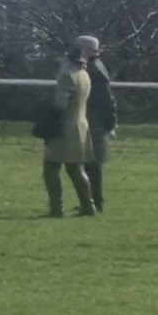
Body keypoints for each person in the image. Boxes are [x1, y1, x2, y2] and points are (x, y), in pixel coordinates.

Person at [42, 38, 100, 217]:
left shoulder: (67, 75)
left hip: (64, 126)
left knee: (50, 167)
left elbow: (60, 104)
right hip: (80, 124)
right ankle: (88, 206)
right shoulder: (84, 74)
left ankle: (56, 208)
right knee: (76, 168)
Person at [81, 36, 118, 213]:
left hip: (95, 122)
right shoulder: (93, 67)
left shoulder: (94, 69)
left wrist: (110, 123)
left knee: (93, 163)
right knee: (89, 163)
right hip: (92, 120)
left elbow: (105, 99)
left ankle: (95, 202)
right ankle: (91, 200)